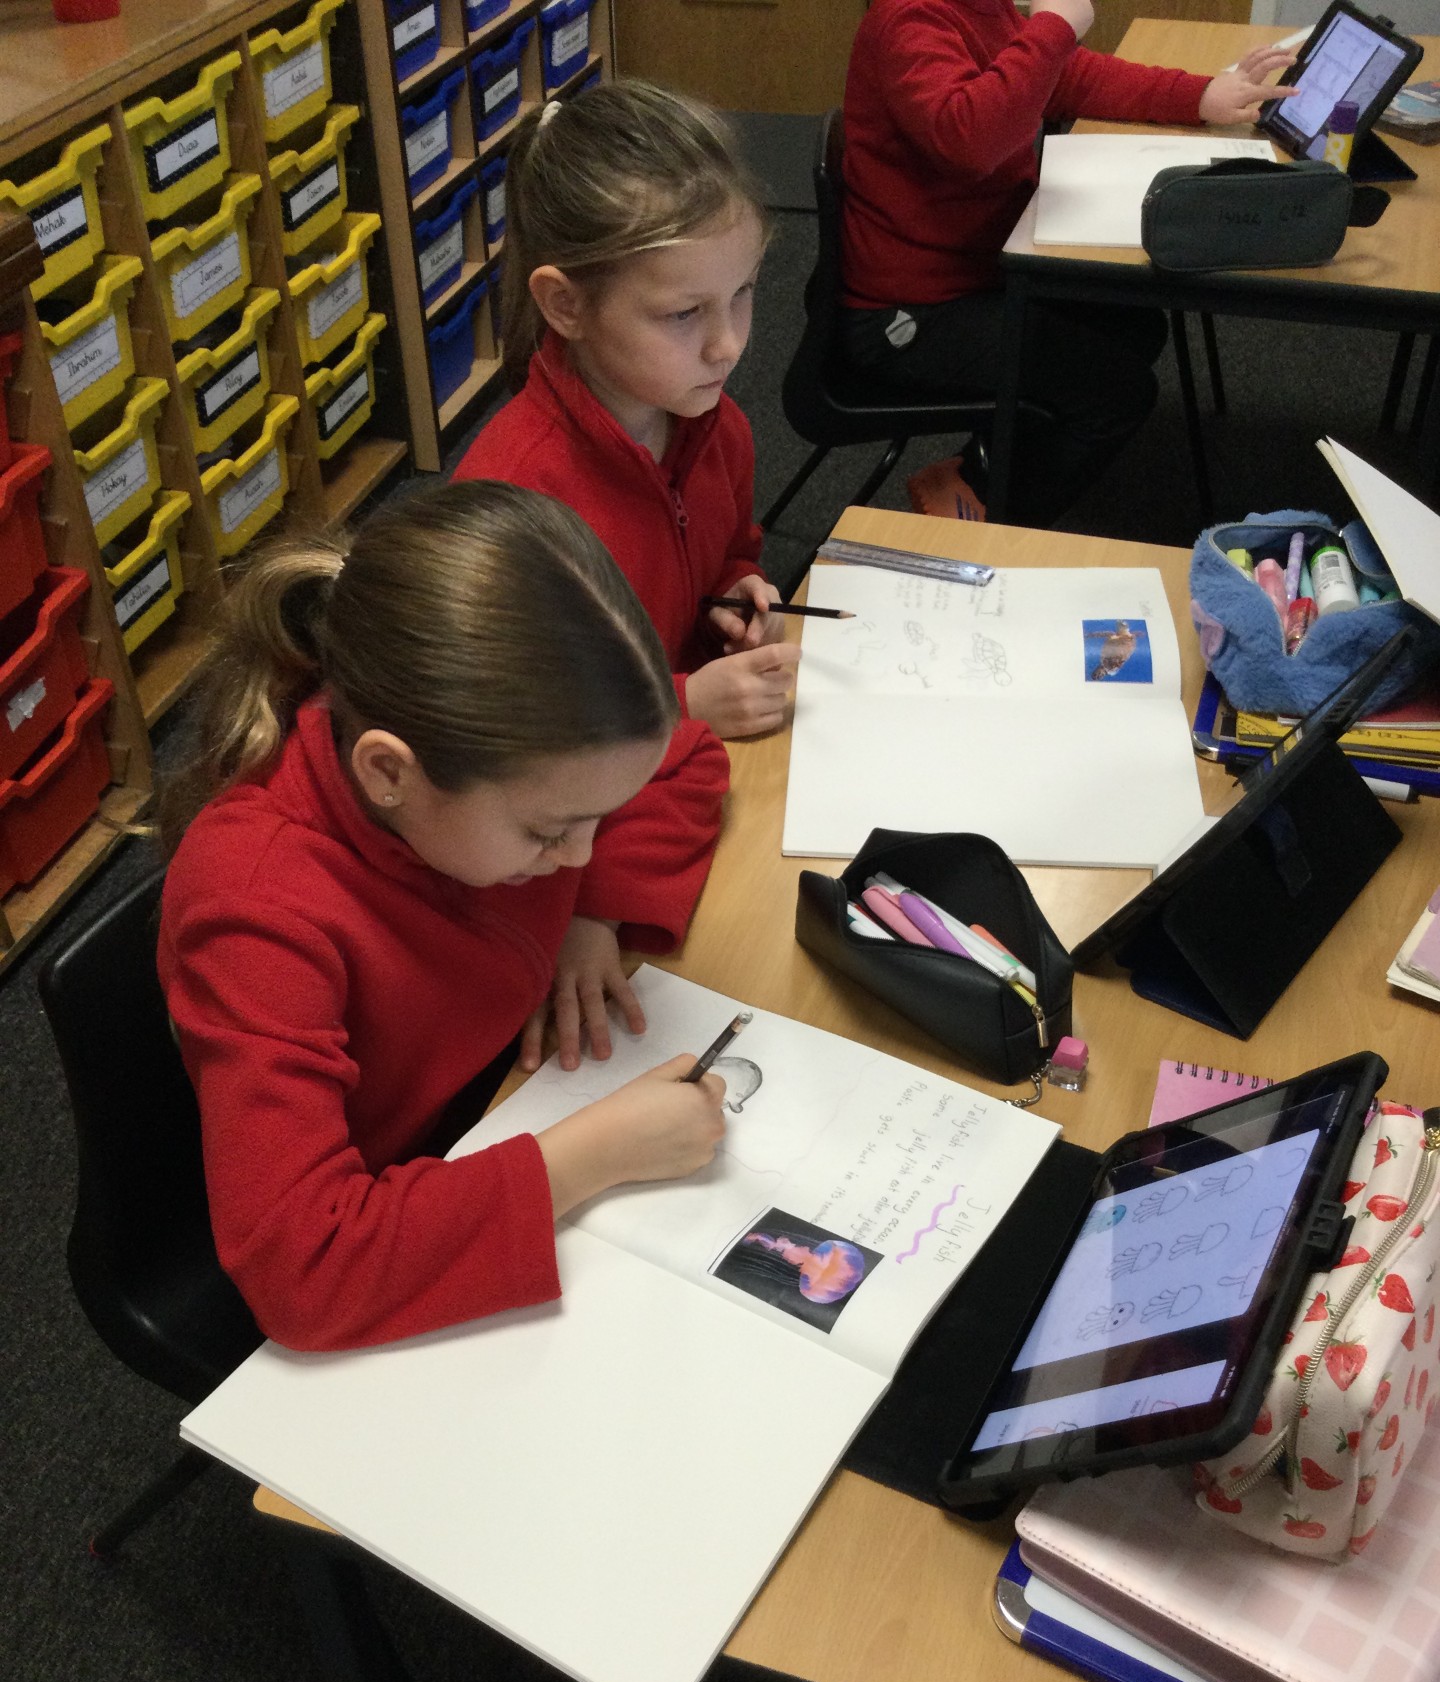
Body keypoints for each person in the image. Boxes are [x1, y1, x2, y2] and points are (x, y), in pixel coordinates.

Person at [158, 482, 731, 1353]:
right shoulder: (257, 910)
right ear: (389, 772)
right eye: (548, 832)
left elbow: (688, 759)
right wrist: (592, 1156)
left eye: (599, 820)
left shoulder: (509, 775)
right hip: (398, 1200)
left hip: (492, 1098)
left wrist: (596, 914)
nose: (578, 854)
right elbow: (303, 1267)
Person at [840, 0, 1297, 524]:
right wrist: (1053, 28)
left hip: (979, 267)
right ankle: (999, 527)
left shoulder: (981, 8)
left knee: (1136, 328)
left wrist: (1201, 95)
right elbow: (970, 140)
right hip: (910, 312)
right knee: (1118, 395)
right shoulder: (909, 17)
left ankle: (981, 469)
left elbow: (1070, 78)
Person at [453, 80, 802, 740]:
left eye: (743, 292)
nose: (727, 345)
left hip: (690, 753)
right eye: (683, 313)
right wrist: (680, 705)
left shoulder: (717, 429)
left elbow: (731, 553)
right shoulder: (513, 505)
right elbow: (511, 729)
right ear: (566, 306)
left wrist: (740, 590)